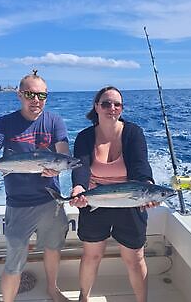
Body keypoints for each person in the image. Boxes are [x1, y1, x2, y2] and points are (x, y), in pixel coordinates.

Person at [0, 71, 70, 302]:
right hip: (18, 204)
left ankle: (52, 289)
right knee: (14, 258)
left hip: (51, 202)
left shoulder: (54, 120)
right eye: (30, 94)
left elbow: (64, 153)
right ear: (20, 95)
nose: (36, 99)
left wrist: (57, 167)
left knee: (53, 248)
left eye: (41, 95)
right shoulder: (5, 122)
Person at [70, 86, 157, 302]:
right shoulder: (84, 136)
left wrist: (147, 186)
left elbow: (140, 166)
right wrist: (79, 187)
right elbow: (80, 167)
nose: (112, 108)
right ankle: (84, 298)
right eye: (106, 103)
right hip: (95, 198)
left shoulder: (133, 133)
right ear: (96, 107)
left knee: (135, 258)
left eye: (117, 104)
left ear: (122, 108)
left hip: (129, 200)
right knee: (92, 255)